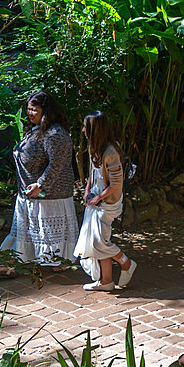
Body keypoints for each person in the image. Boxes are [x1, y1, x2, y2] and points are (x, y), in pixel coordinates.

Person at [0, 91, 78, 274]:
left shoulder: (55, 133)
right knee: (27, 231)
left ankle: (58, 260)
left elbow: (58, 163)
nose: (30, 113)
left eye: (34, 109)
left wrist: (41, 185)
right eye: (29, 109)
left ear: (46, 111)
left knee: (47, 232)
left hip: (49, 195)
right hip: (30, 193)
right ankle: (14, 263)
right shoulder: (36, 129)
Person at [74, 111, 137, 291]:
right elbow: (91, 175)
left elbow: (117, 184)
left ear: (95, 130)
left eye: (86, 127)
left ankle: (126, 263)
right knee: (99, 238)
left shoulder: (111, 151)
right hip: (96, 199)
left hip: (108, 202)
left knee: (99, 242)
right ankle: (106, 281)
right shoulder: (93, 147)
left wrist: (98, 198)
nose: (83, 130)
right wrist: (87, 192)